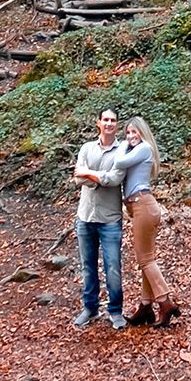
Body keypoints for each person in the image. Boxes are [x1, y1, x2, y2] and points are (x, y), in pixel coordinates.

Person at [113, 116, 180, 327]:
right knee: (146, 258)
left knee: (145, 260)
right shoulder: (138, 150)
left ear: (142, 132)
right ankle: (145, 307)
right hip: (141, 207)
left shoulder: (144, 148)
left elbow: (119, 162)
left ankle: (165, 301)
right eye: (128, 133)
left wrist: (122, 144)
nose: (131, 136)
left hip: (144, 205)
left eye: (134, 132)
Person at [72, 108, 127, 329]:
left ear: (117, 124)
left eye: (113, 120)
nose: (109, 123)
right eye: (105, 119)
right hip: (85, 216)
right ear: (98, 123)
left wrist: (90, 175)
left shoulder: (122, 150)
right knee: (88, 266)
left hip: (110, 219)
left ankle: (115, 311)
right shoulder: (86, 148)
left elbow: (116, 178)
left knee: (113, 267)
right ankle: (90, 308)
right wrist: (99, 179)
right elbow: (77, 178)